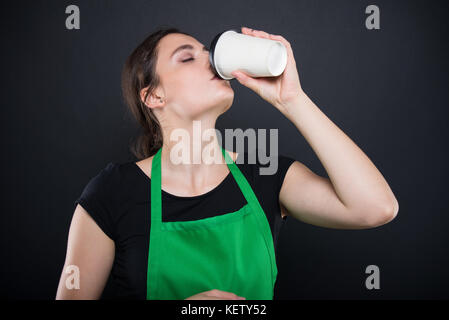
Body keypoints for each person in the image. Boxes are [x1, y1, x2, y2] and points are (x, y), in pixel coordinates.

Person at [56, 26, 399, 300]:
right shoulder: (111, 193)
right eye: (188, 58)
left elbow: (376, 208)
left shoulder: (266, 176)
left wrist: (292, 100)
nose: (212, 62)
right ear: (154, 96)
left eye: (211, 54)